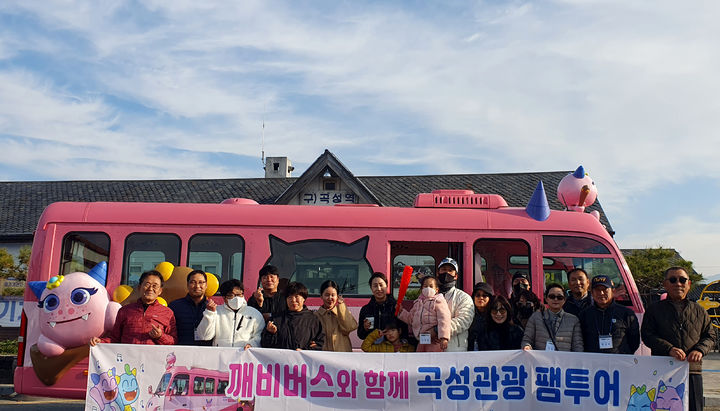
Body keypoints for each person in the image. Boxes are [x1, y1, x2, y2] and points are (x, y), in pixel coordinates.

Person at [642, 267, 716, 411]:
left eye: (682, 280)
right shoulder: (654, 309)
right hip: (663, 371)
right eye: (673, 280)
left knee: (694, 407)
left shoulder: (699, 310)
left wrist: (700, 350)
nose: (678, 283)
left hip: (692, 371)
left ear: (689, 284)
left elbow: (711, 336)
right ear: (665, 284)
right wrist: (668, 349)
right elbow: (647, 335)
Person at [90, 270, 177, 346]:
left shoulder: (167, 313)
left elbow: (174, 341)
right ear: (139, 287)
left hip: (153, 362)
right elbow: (115, 338)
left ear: (160, 291)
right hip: (129, 362)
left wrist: (160, 337)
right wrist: (100, 341)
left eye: (155, 286)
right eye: (147, 284)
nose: (150, 289)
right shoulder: (125, 311)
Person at [195, 279, 265, 348]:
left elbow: (259, 335)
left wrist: (252, 344)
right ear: (224, 298)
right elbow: (204, 336)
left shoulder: (254, 313)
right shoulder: (216, 312)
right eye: (231, 295)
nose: (236, 298)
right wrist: (209, 313)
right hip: (221, 355)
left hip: (244, 355)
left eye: (239, 294)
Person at [579, 275, 640, 354]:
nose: (601, 293)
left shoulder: (626, 313)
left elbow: (634, 342)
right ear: (592, 293)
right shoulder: (585, 314)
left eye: (605, 289)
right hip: (593, 363)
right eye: (597, 290)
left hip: (620, 362)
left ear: (612, 290)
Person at [261, 281, 324, 350]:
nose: (293, 300)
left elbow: (320, 344)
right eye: (290, 297)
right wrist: (270, 333)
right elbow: (265, 345)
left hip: (303, 360)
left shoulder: (313, 320)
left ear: (304, 299)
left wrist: (305, 351)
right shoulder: (276, 319)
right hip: (281, 359)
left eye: (297, 297)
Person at [521, 283, 583, 352]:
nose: (555, 299)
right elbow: (527, 340)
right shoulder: (536, 317)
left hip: (564, 361)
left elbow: (578, 346)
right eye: (552, 296)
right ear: (546, 298)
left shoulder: (573, 320)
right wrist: (527, 346)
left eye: (559, 297)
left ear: (564, 300)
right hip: (541, 361)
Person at [398, 276, 451, 352]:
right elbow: (410, 319)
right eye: (425, 286)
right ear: (421, 289)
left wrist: (444, 338)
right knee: (420, 361)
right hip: (421, 340)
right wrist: (401, 311)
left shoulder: (439, 301)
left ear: (436, 290)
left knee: (433, 362)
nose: (428, 288)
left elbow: (444, 319)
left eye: (431, 286)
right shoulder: (417, 303)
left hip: (434, 341)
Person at [436, 257, 474, 351]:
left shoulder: (464, 297)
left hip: (455, 350)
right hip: (431, 348)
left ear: (456, 276)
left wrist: (438, 330)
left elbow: (464, 321)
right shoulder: (430, 296)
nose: (446, 273)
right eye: (444, 270)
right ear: (438, 273)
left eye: (450, 270)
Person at [357, 272, 407, 341]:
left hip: (392, 349)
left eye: (381, 285)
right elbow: (361, 335)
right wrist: (365, 328)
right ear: (371, 288)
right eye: (375, 286)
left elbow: (404, 332)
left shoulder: (395, 307)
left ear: (386, 286)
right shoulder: (366, 309)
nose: (379, 289)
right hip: (373, 349)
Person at [168, 270, 211, 346]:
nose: (197, 286)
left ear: (206, 285)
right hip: (181, 352)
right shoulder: (175, 306)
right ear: (187, 285)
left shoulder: (212, 308)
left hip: (204, 353)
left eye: (201, 282)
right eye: (193, 282)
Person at [315, 280, 358, 352]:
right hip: (323, 357)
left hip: (342, 356)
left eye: (333, 295)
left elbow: (349, 328)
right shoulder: (316, 316)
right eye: (327, 295)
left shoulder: (342, 311)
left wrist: (341, 306)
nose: (330, 298)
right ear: (321, 296)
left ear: (337, 296)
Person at [467, 282, 493, 351]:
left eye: (484, 295)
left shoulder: (495, 316)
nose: (481, 298)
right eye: (477, 295)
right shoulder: (467, 315)